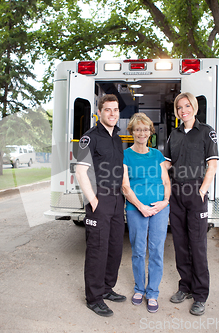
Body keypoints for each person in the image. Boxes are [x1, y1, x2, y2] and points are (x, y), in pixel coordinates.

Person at [163, 92, 218, 316]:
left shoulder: (206, 132)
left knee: (197, 245)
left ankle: (200, 294)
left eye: (186, 106)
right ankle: (185, 286)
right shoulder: (173, 135)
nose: (183, 110)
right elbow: (166, 163)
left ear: (194, 107)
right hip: (176, 193)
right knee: (180, 243)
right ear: (176, 111)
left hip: (195, 193)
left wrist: (202, 190)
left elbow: (212, 165)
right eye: (179, 107)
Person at [75, 94, 126, 317]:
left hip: (117, 200)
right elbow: (80, 171)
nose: (112, 114)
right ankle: (94, 298)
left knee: (114, 247)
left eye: (115, 110)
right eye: (108, 110)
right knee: (97, 249)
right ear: (99, 112)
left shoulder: (117, 138)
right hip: (99, 200)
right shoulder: (89, 137)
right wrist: (93, 200)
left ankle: (106, 288)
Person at [121, 113, 171, 313]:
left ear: (150, 132)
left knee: (157, 251)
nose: (142, 133)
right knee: (139, 251)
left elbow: (166, 182)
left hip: (159, 208)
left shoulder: (157, 155)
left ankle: (153, 292)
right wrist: (141, 207)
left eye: (145, 129)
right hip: (136, 208)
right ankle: (139, 289)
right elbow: (125, 186)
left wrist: (164, 202)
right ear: (132, 132)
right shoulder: (125, 155)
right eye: (137, 129)